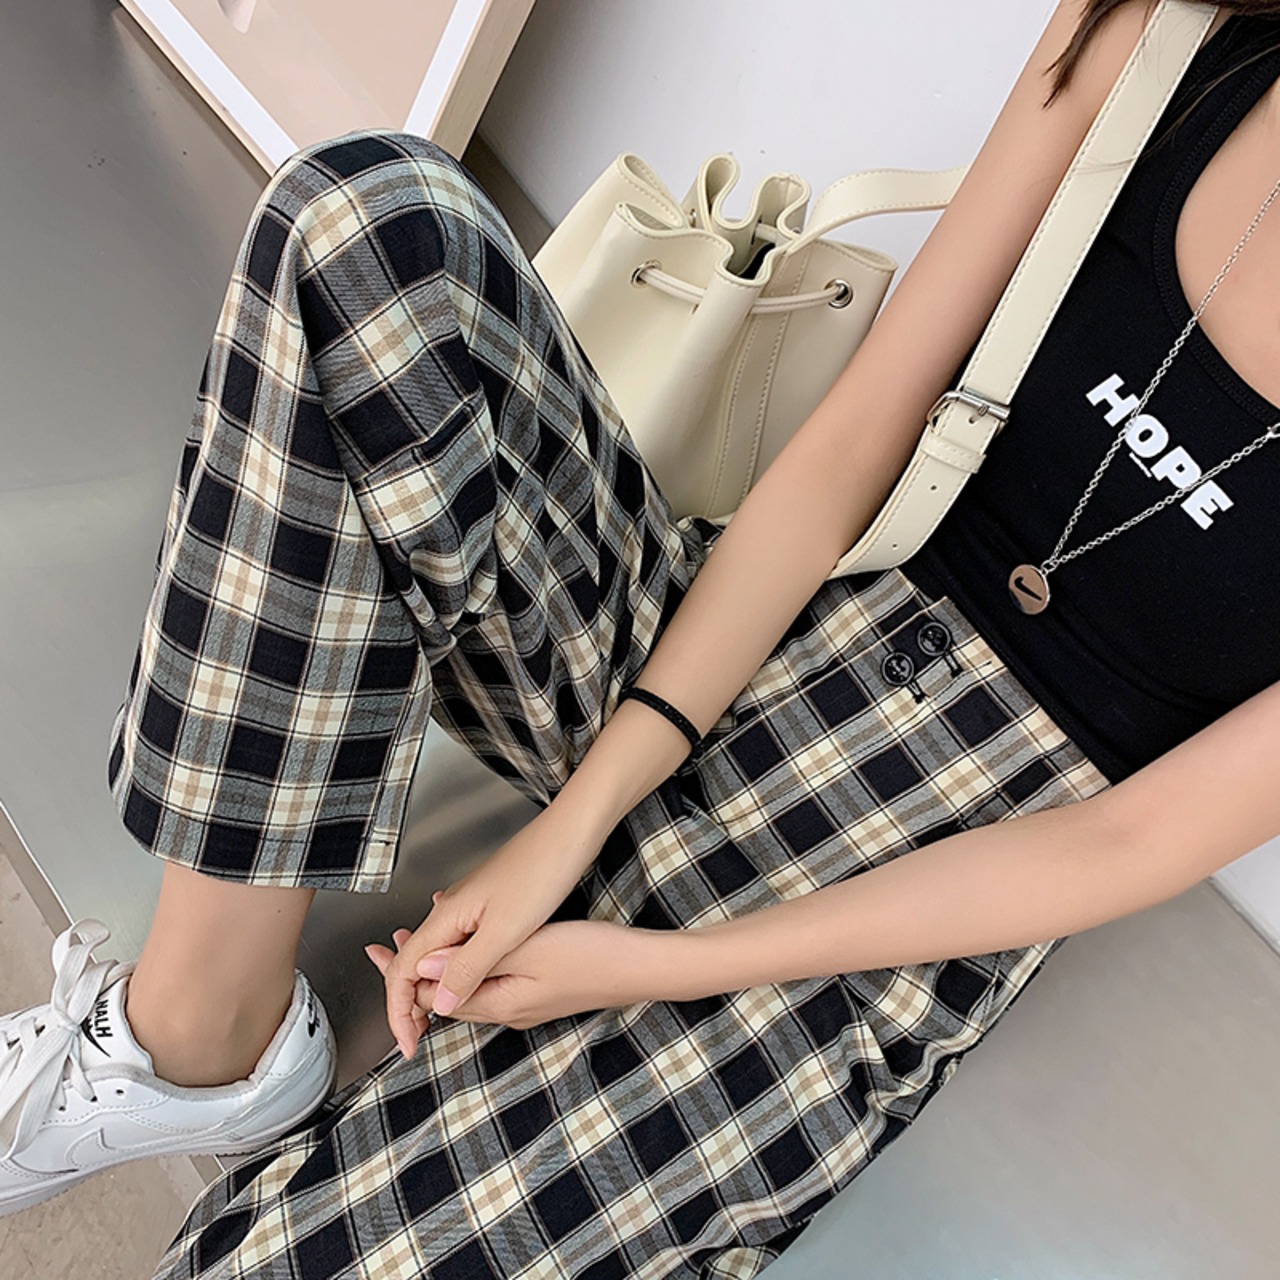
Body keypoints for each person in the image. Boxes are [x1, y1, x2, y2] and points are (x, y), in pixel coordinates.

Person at [2, 0, 1278, 1274]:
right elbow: (847, 451)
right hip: (741, 628)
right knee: (371, 229)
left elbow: (1129, 840)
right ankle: (198, 1041)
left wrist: (664, 963)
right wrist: (575, 824)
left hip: (931, 872)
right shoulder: (1151, 40)